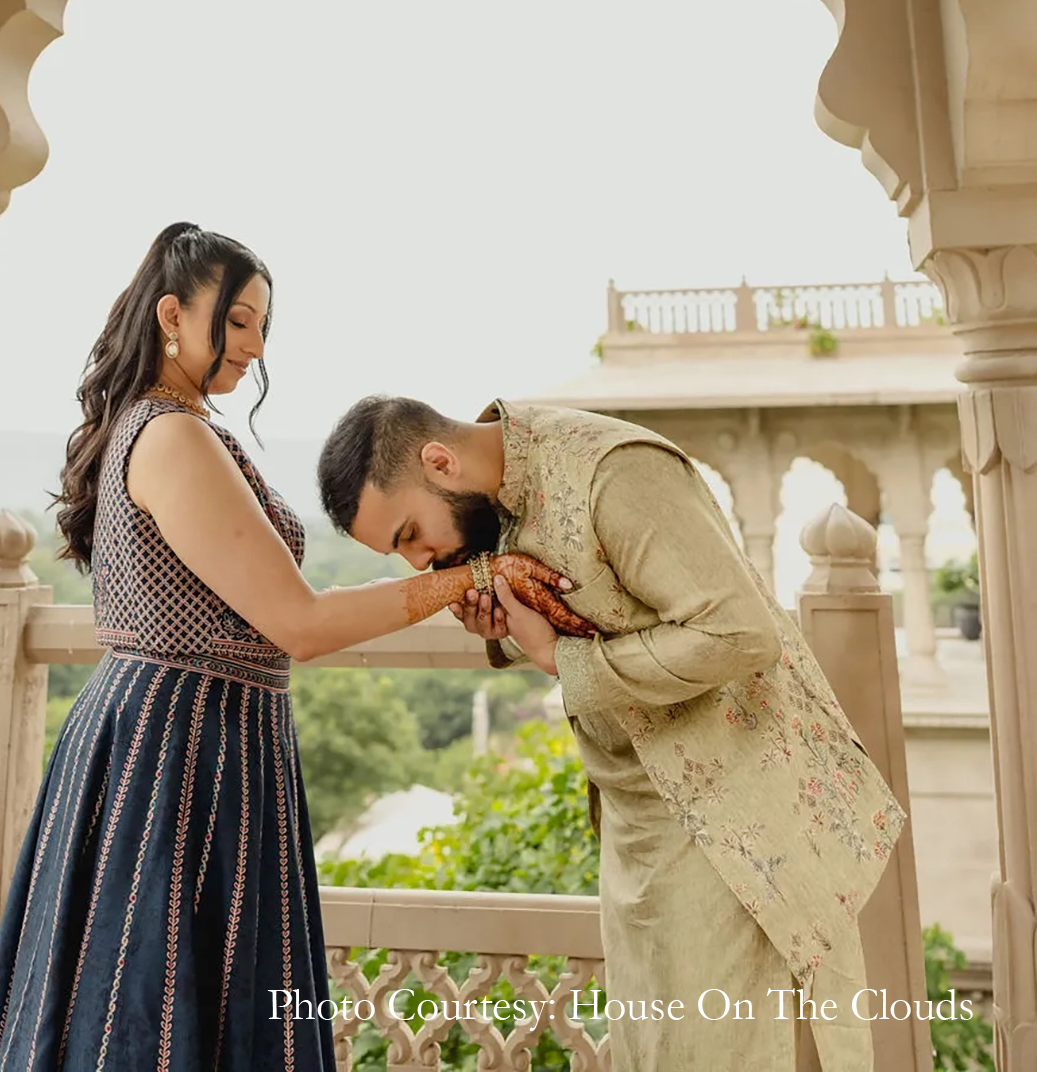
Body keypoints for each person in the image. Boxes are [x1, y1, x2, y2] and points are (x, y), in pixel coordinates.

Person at [0, 228, 588, 1072]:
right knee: (152, 1015)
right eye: (241, 321)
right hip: (180, 753)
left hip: (191, 739)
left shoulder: (160, 428)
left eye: (264, 326)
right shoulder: (172, 437)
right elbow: (297, 623)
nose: (257, 348)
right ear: (173, 316)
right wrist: (470, 575)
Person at [317, 394, 908, 1072]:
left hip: (733, 810)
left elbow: (739, 633)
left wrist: (553, 659)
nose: (422, 562)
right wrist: (507, 632)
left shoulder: (612, 472)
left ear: (439, 461)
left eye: (410, 535)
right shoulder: (493, 510)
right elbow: (605, 613)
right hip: (639, 820)